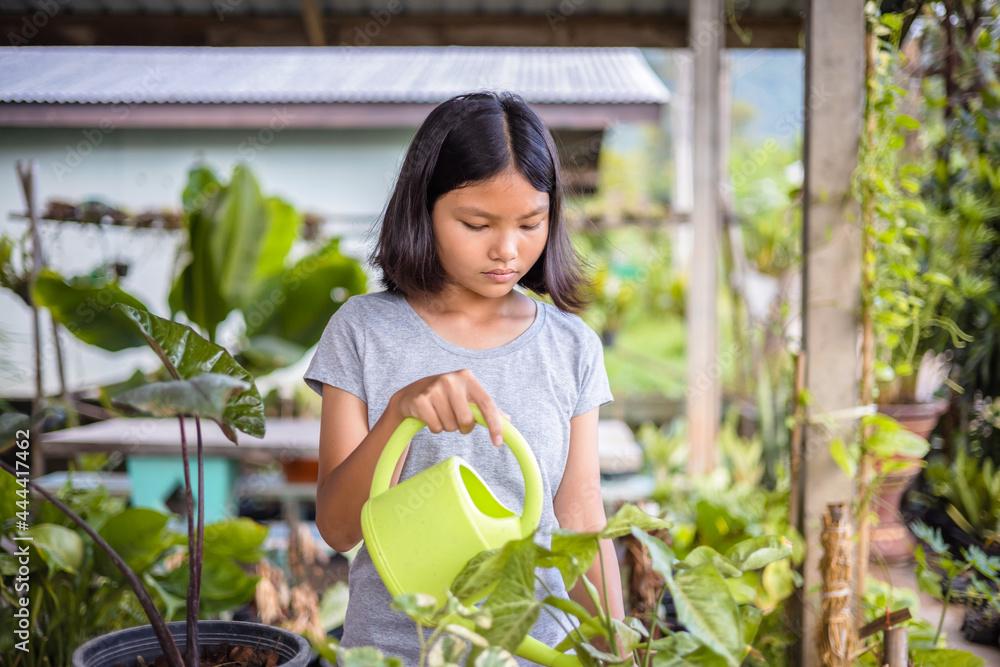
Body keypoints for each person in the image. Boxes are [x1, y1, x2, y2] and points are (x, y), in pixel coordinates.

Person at [303, 90, 624, 663]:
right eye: (476, 223)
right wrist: (400, 410)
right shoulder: (362, 332)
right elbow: (338, 528)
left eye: (532, 223)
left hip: (530, 651)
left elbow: (579, 519)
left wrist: (616, 651)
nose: (507, 251)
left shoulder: (571, 346)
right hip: (398, 648)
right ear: (423, 209)